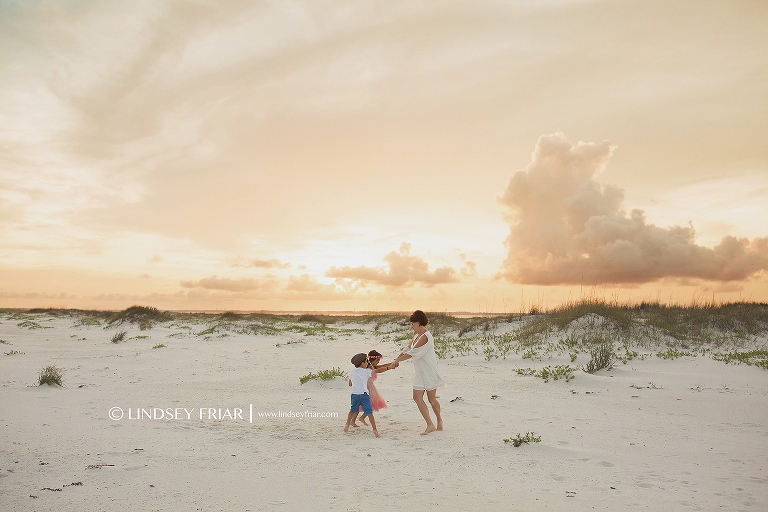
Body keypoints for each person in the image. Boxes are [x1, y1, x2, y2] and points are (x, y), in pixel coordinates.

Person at [390, 310, 445, 435]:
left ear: (418, 323)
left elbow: (413, 353)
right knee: (417, 397)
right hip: (420, 372)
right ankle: (430, 425)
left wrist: (397, 361)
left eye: (413, 324)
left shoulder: (426, 337)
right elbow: (407, 349)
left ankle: (439, 420)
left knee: (432, 399)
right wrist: (395, 360)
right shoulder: (416, 336)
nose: (411, 326)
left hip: (429, 371)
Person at [343, 353, 390, 437]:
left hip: (354, 394)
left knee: (352, 410)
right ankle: (375, 430)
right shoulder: (366, 371)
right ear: (362, 363)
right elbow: (377, 370)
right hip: (364, 394)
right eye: (366, 361)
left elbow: (350, 384)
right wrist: (388, 367)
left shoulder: (352, 371)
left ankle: (347, 425)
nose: (367, 363)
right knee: (369, 412)